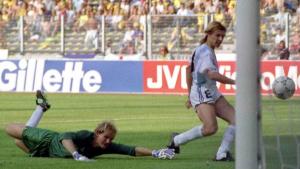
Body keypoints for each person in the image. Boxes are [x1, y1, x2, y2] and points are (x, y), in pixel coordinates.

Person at [5, 90, 175, 161]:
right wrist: (76, 155)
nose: (108, 141)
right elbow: (64, 137)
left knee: (18, 142)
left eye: (110, 139)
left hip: (46, 153)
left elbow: (131, 150)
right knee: (10, 130)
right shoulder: (86, 135)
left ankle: (41, 107)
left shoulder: (104, 147)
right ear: (97, 132)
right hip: (50, 141)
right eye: (106, 137)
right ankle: (41, 107)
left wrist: (155, 152)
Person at [167, 21, 236, 161]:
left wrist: (189, 94)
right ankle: (177, 140)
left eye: (222, 36)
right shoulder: (205, 52)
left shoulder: (202, 49)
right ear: (208, 34)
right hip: (202, 90)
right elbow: (211, 74)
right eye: (217, 35)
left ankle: (222, 154)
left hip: (210, 90)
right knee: (210, 128)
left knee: (237, 120)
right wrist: (235, 82)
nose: (220, 39)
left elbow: (188, 69)